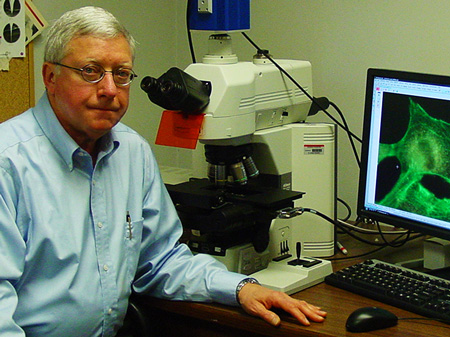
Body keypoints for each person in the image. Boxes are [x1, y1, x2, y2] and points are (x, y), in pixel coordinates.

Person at [0, 6, 326, 337]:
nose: (110, 89)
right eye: (90, 71)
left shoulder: (132, 152)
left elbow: (161, 260)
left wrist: (241, 288)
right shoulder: (8, 164)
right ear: (50, 77)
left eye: (122, 74)